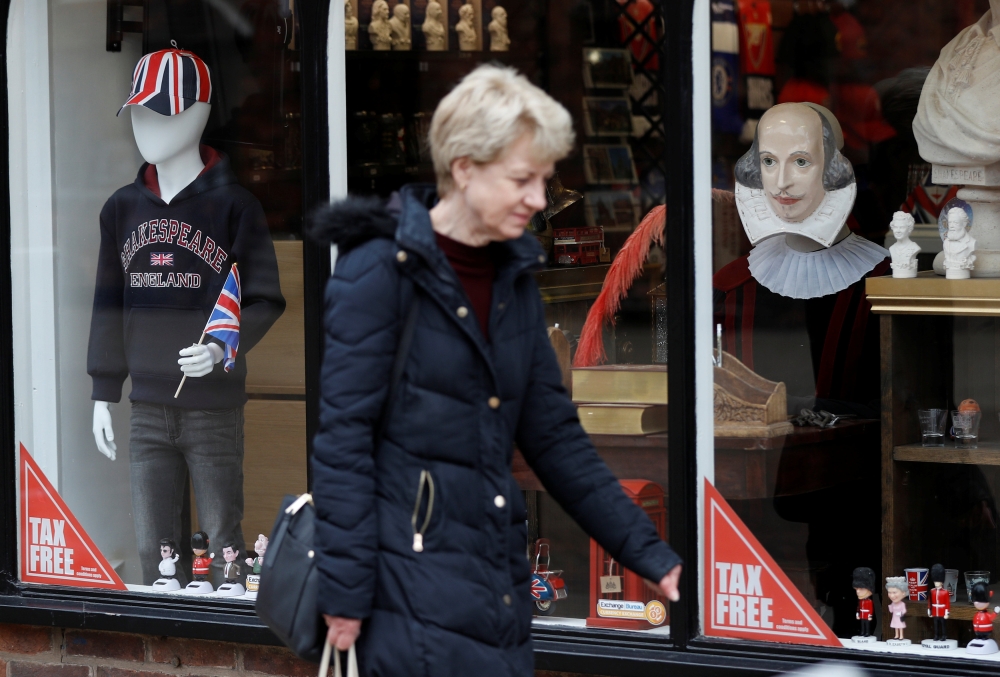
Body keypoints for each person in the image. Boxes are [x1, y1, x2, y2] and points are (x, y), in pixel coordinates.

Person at [310, 64, 681, 676]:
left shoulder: (512, 281)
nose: (540, 199)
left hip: (496, 589)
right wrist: (345, 594)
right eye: (522, 180)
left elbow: (556, 439)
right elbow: (342, 444)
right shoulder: (376, 275)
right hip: (402, 592)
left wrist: (650, 554)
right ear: (464, 169)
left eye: (544, 179)